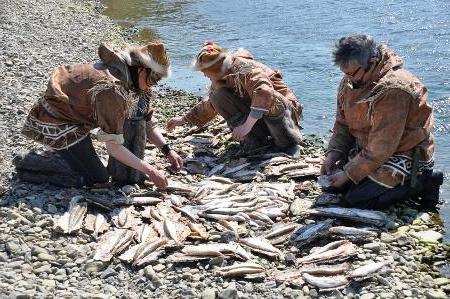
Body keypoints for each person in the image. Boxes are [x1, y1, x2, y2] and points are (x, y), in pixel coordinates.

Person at [19, 41, 183, 189]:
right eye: (153, 80)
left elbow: (146, 120)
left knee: (91, 167)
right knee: (97, 179)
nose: (152, 85)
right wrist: (151, 171)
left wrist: (167, 151)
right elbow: (113, 147)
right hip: (57, 120)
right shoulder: (113, 90)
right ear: (141, 70)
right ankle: (28, 163)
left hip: (76, 114)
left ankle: (70, 157)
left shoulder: (130, 76)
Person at [321, 34, 443, 210]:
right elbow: (342, 124)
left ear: (372, 61)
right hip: (369, 146)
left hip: (403, 151)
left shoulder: (393, 89)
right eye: (345, 73)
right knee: (335, 188)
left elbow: (382, 147)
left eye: (352, 73)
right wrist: (333, 154)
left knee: (357, 201)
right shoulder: (351, 80)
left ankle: (426, 180)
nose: (349, 79)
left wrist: (348, 173)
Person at [167, 41, 303, 157]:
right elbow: (210, 105)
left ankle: (287, 142)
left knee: (270, 96)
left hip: (285, 115)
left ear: (215, 69)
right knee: (217, 96)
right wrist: (184, 119)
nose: (203, 75)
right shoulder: (221, 77)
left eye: (204, 71)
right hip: (259, 119)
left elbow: (264, 92)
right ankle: (254, 140)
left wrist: (246, 126)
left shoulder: (245, 69)